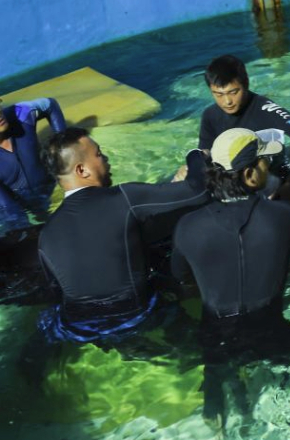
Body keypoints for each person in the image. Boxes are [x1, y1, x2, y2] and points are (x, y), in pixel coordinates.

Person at [171, 128, 290, 426]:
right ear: (250, 174)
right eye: (264, 161)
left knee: (216, 375)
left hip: (216, 335)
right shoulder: (283, 216)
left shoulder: (187, 226)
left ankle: (214, 414)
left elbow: (181, 278)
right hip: (272, 330)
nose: (268, 166)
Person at [36, 127, 210, 341]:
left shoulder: (46, 233)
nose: (106, 159)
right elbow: (198, 191)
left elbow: (55, 291)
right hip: (137, 316)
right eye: (99, 155)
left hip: (79, 327)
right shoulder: (123, 197)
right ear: (82, 171)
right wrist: (196, 155)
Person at [192, 54, 290, 187]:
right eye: (219, 94)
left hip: (271, 178)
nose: (227, 101)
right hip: (233, 182)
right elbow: (205, 153)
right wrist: (192, 168)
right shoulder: (210, 115)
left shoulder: (265, 109)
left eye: (233, 92)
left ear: (246, 84)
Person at [0, 97, 66, 228]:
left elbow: (50, 105)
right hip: (19, 206)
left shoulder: (19, 114)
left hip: (52, 188)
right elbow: (9, 209)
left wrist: (63, 146)